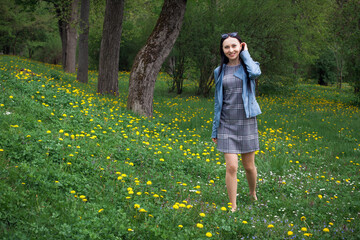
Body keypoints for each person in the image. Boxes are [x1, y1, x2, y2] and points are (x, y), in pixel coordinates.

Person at [211, 32, 261, 213]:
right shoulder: (219, 71)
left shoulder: (249, 67)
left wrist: (246, 53)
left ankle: (252, 192)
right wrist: (215, 129)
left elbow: (256, 73)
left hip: (246, 121)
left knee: (249, 166)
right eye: (226, 47)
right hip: (226, 123)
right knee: (232, 166)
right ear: (222, 50)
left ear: (240, 46)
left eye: (234, 46)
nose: (231, 50)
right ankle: (233, 206)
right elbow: (218, 102)